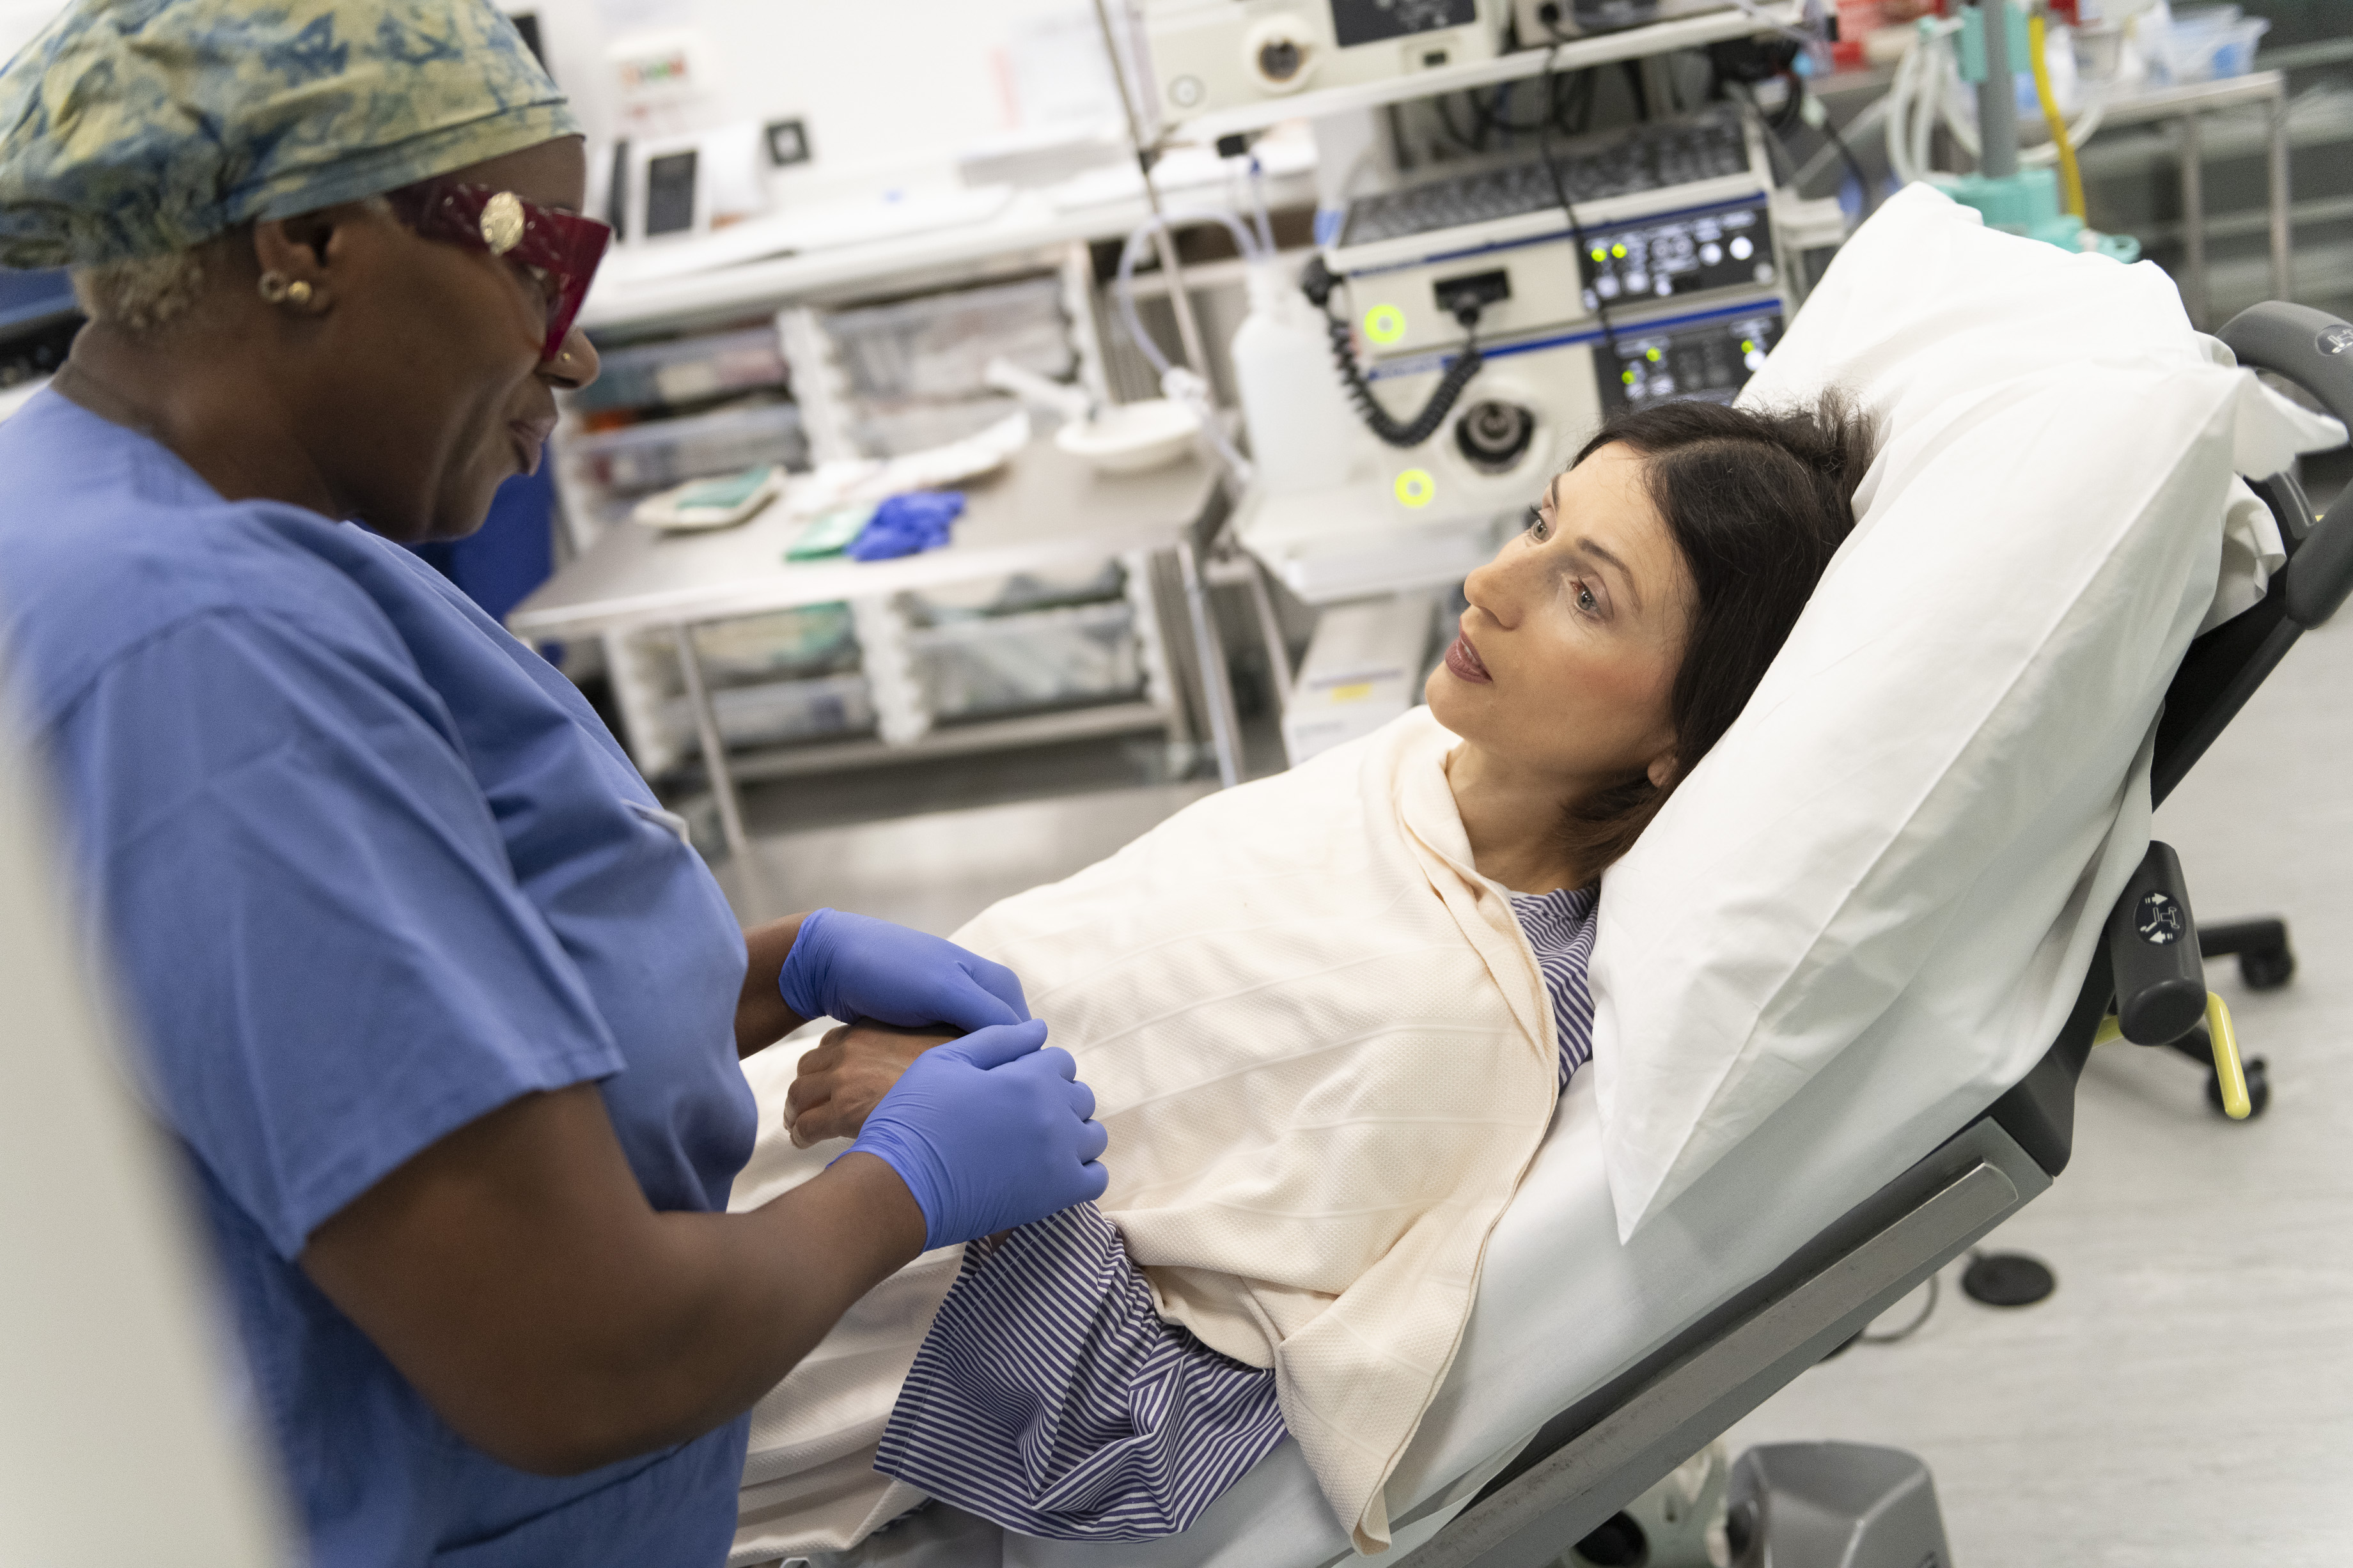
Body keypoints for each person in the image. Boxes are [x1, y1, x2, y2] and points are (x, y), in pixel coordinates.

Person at [0, 4, 1106, 1565]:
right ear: (313, 240)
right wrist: (902, 1188)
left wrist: (755, 979)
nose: (571, 345)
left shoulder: (139, 517)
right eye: (542, 265)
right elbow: (578, 1357)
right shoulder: (202, 651)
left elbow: (333, 1055)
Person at [735, 392, 1875, 1556]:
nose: (1491, 582)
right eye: (1538, 523)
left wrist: (966, 1162)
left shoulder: (1469, 1027)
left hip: (768, 1336)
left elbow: (1136, 1443)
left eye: (1585, 593)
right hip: (735, 1118)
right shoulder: (1406, 761)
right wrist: (785, 981)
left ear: (1680, 737)